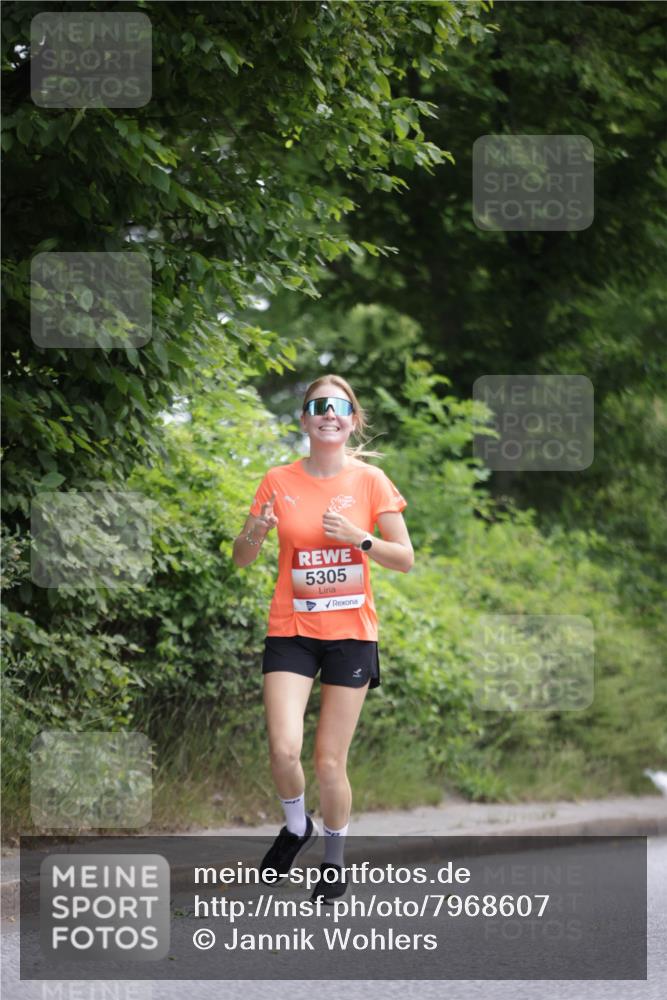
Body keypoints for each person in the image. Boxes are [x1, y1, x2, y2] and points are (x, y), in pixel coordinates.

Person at [232, 375, 413, 903]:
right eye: (317, 406)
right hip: (291, 629)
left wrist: (358, 538)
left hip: (351, 634)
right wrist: (256, 533)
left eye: (339, 407)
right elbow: (242, 556)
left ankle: (334, 860)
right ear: (305, 419)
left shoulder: (371, 481)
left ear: (352, 419)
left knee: (330, 760)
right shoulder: (277, 479)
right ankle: (295, 828)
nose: (328, 413)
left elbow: (404, 558)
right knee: (284, 749)